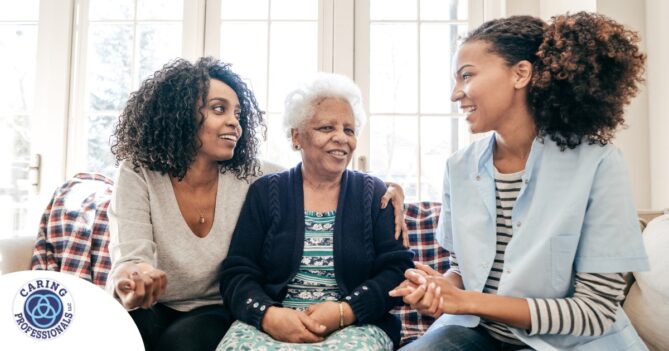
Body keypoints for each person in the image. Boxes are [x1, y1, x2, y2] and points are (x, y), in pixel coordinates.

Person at [108, 57, 407, 351]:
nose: (234, 122)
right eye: (218, 109)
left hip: (211, 310)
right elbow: (131, 258)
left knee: (182, 343)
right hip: (155, 306)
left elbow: (317, 175)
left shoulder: (250, 175)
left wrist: (389, 189)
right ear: (180, 114)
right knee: (120, 335)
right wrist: (132, 279)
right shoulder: (139, 172)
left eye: (237, 113)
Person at [390, 12, 649, 350]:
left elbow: (593, 312)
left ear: (520, 73)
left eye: (466, 76)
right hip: (477, 334)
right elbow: (464, 270)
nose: (456, 94)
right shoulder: (459, 168)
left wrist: (464, 300)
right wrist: (439, 290)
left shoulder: (599, 164)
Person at [217, 73, 415, 350]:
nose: (341, 138)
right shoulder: (266, 191)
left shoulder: (374, 193)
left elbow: (398, 269)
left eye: (349, 130)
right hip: (275, 321)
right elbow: (238, 272)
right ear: (297, 136)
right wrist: (267, 315)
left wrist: (345, 310)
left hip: (355, 324)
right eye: (326, 128)